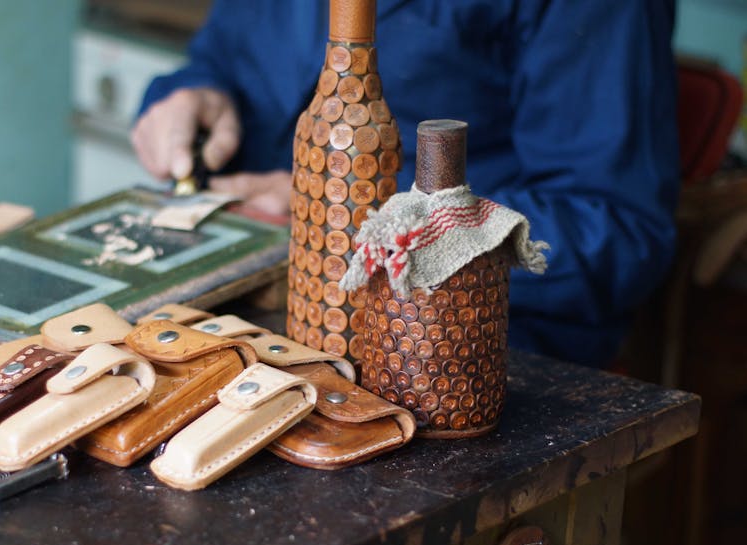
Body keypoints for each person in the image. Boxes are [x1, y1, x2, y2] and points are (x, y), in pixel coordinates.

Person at [131, 0, 679, 368]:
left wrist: (368, 215)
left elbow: (616, 230)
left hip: (443, 334)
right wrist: (190, 92)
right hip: (253, 289)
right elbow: (221, 58)